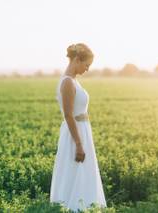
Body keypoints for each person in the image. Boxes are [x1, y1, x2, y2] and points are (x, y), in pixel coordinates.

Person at [50, 43, 106, 211]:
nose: (87, 69)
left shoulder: (73, 80)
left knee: (82, 171)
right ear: (76, 60)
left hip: (82, 130)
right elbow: (68, 115)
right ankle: (74, 206)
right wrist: (79, 144)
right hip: (75, 133)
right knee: (75, 169)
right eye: (86, 65)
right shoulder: (67, 82)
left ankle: (84, 205)